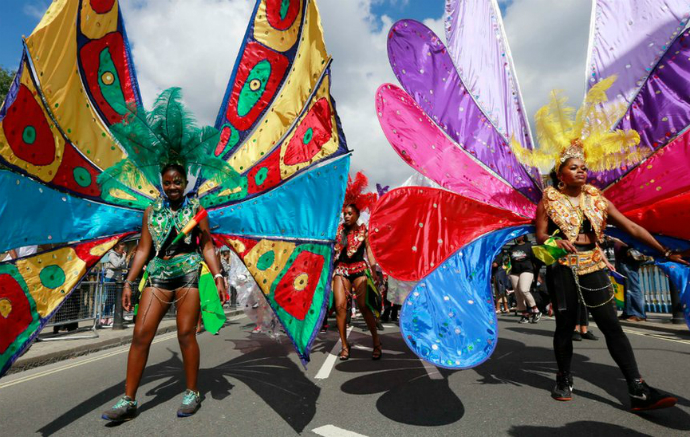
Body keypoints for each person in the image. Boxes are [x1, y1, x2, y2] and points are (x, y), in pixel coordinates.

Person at [536, 151, 686, 410]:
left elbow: (632, 228)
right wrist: (553, 240)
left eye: (583, 167)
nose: (581, 171)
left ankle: (637, 387)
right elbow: (540, 235)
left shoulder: (598, 199)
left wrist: (665, 252)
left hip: (594, 264)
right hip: (562, 266)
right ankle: (563, 377)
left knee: (611, 326)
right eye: (573, 168)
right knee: (565, 325)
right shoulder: (548, 201)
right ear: (560, 175)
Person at [101, 164, 227, 421]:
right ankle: (128, 400)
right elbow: (145, 249)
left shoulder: (197, 211)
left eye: (177, 182)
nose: (173, 187)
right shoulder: (151, 212)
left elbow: (207, 246)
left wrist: (218, 275)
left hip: (188, 272)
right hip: (158, 274)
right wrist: (129, 282)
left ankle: (192, 392)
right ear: (161, 183)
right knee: (140, 334)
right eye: (168, 183)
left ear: (185, 182)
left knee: (185, 334)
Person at [332, 172, 380, 361]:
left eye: (350, 213)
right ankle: (344, 345)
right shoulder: (338, 232)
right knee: (340, 306)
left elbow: (370, 251)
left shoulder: (363, 231)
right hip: (342, 270)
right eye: (344, 214)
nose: (346, 216)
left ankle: (376, 341)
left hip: (359, 268)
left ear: (358, 214)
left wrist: (375, 271)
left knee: (363, 305)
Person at [508, 235, 541, 323]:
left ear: (523, 236)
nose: (517, 236)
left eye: (519, 234)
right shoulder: (511, 248)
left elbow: (535, 260)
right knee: (518, 294)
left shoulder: (529, 245)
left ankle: (535, 309)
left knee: (524, 290)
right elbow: (508, 261)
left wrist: (537, 274)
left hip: (527, 270)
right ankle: (525, 314)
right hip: (514, 272)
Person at [615, 240, 649, 322]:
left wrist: (614, 239)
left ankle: (639, 314)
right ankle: (628, 313)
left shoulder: (626, 231)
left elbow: (627, 242)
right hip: (622, 259)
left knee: (633, 288)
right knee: (626, 289)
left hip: (628, 260)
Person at [101, 242, 127, 326]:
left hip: (117, 278)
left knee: (115, 299)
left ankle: (110, 317)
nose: (123, 251)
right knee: (110, 298)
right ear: (116, 249)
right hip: (110, 278)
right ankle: (105, 317)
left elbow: (124, 266)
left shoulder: (119, 256)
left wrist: (122, 260)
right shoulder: (112, 255)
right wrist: (123, 258)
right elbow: (116, 265)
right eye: (121, 249)